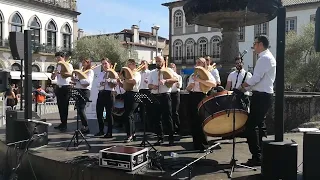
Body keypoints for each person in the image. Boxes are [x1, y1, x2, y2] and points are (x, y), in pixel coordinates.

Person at [239, 35, 276, 166]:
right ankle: (260, 155)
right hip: (263, 95)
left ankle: (257, 156)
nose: (253, 46)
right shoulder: (267, 57)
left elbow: (256, 78)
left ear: (260, 44)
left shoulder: (264, 58)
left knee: (250, 127)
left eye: (255, 44)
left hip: (261, 96)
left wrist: (242, 87)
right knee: (259, 126)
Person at [186, 57, 216, 151]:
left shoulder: (208, 74)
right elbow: (187, 89)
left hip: (201, 96)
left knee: (201, 121)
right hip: (192, 96)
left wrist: (200, 81)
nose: (197, 63)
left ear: (204, 64)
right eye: (197, 62)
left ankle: (204, 145)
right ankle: (196, 144)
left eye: (199, 62)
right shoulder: (192, 75)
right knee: (193, 121)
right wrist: (190, 86)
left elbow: (213, 84)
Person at [148, 56, 178, 146]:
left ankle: (171, 138)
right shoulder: (152, 72)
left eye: (159, 61)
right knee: (157, 118)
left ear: (163, 62)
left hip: (165, 95)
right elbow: (149, 85)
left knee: (168, 117)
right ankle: (160, 137)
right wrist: (153, 86)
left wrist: (166, 80)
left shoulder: (169, 70)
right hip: (155, 95)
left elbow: (176, 79)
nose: (157, 63)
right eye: (156, 61)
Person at [118, 59, 141, 142]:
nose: (128, 65)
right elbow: (124, 86)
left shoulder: (137, 73)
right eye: (128, 64)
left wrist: (124, 79)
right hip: (127, 94)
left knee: (128, 114)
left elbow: (134, 81)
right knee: (130, 115)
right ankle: (133, 134)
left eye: (130, 64)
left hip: (134, 94)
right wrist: (120, 82)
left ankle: (129, 135)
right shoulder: (127, 75)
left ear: (134, 65)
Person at [95, 58, 118, 138]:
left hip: (109, 93)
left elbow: (116, 82)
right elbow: (97, 84)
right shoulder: (101, 74)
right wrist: (101, 83)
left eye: (105, 63)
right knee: (99, 112)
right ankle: (101, 130)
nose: (104, 65)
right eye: (103, 64)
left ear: (109, 64)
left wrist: (110, 81)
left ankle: (109, 132)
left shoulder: (113, 72)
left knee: (109, 114)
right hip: (101, 93)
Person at [70, 58, 94, 134]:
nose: (83, 64)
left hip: (85, 91)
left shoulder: (90, 71)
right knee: (79, 109)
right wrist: (74, 81)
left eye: (85, 62)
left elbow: (87, 82)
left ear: (88, 63)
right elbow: (78, 81)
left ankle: (86, 126)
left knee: (81, 109)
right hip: (78, 90)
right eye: (82, 62)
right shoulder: (81, 71)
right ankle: (83, 126)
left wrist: (79, 80)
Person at [52, 51, 73, 132]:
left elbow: (70, 74)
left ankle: (65, 123)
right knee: (60, 106)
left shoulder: (68, 65)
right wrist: (54, 75)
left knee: (65, 106)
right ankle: (62, 122)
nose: (57, 59)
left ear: (63, 57)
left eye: (58, 57)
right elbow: (54, 77)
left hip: (66, 87)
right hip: (59, 86)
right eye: (56, 58)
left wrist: (60, 73)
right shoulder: (57, 66)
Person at [169, 63, 182, 134]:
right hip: (169, 94)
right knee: (169, 112)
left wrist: (178, 84)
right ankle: (172, 128)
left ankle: (179, 127)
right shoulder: (167, 76)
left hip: (176, 94)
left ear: (175, 68)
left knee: (175, 111)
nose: (171, 69)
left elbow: (179, 86)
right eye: (170, 68)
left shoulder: (178, 76)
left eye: (172, 67)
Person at [138, 60, 151, 129]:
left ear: (147, 65)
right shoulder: (138, 73)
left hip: (147, 91)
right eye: (141, 64)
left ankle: (149, 125)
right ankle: (143, 125)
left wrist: (148, 81)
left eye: (144, 64)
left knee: (148, 108)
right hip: (140, 91)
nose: (142, 65)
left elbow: (151, 81)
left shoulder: (150, 72)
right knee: (141, 108)